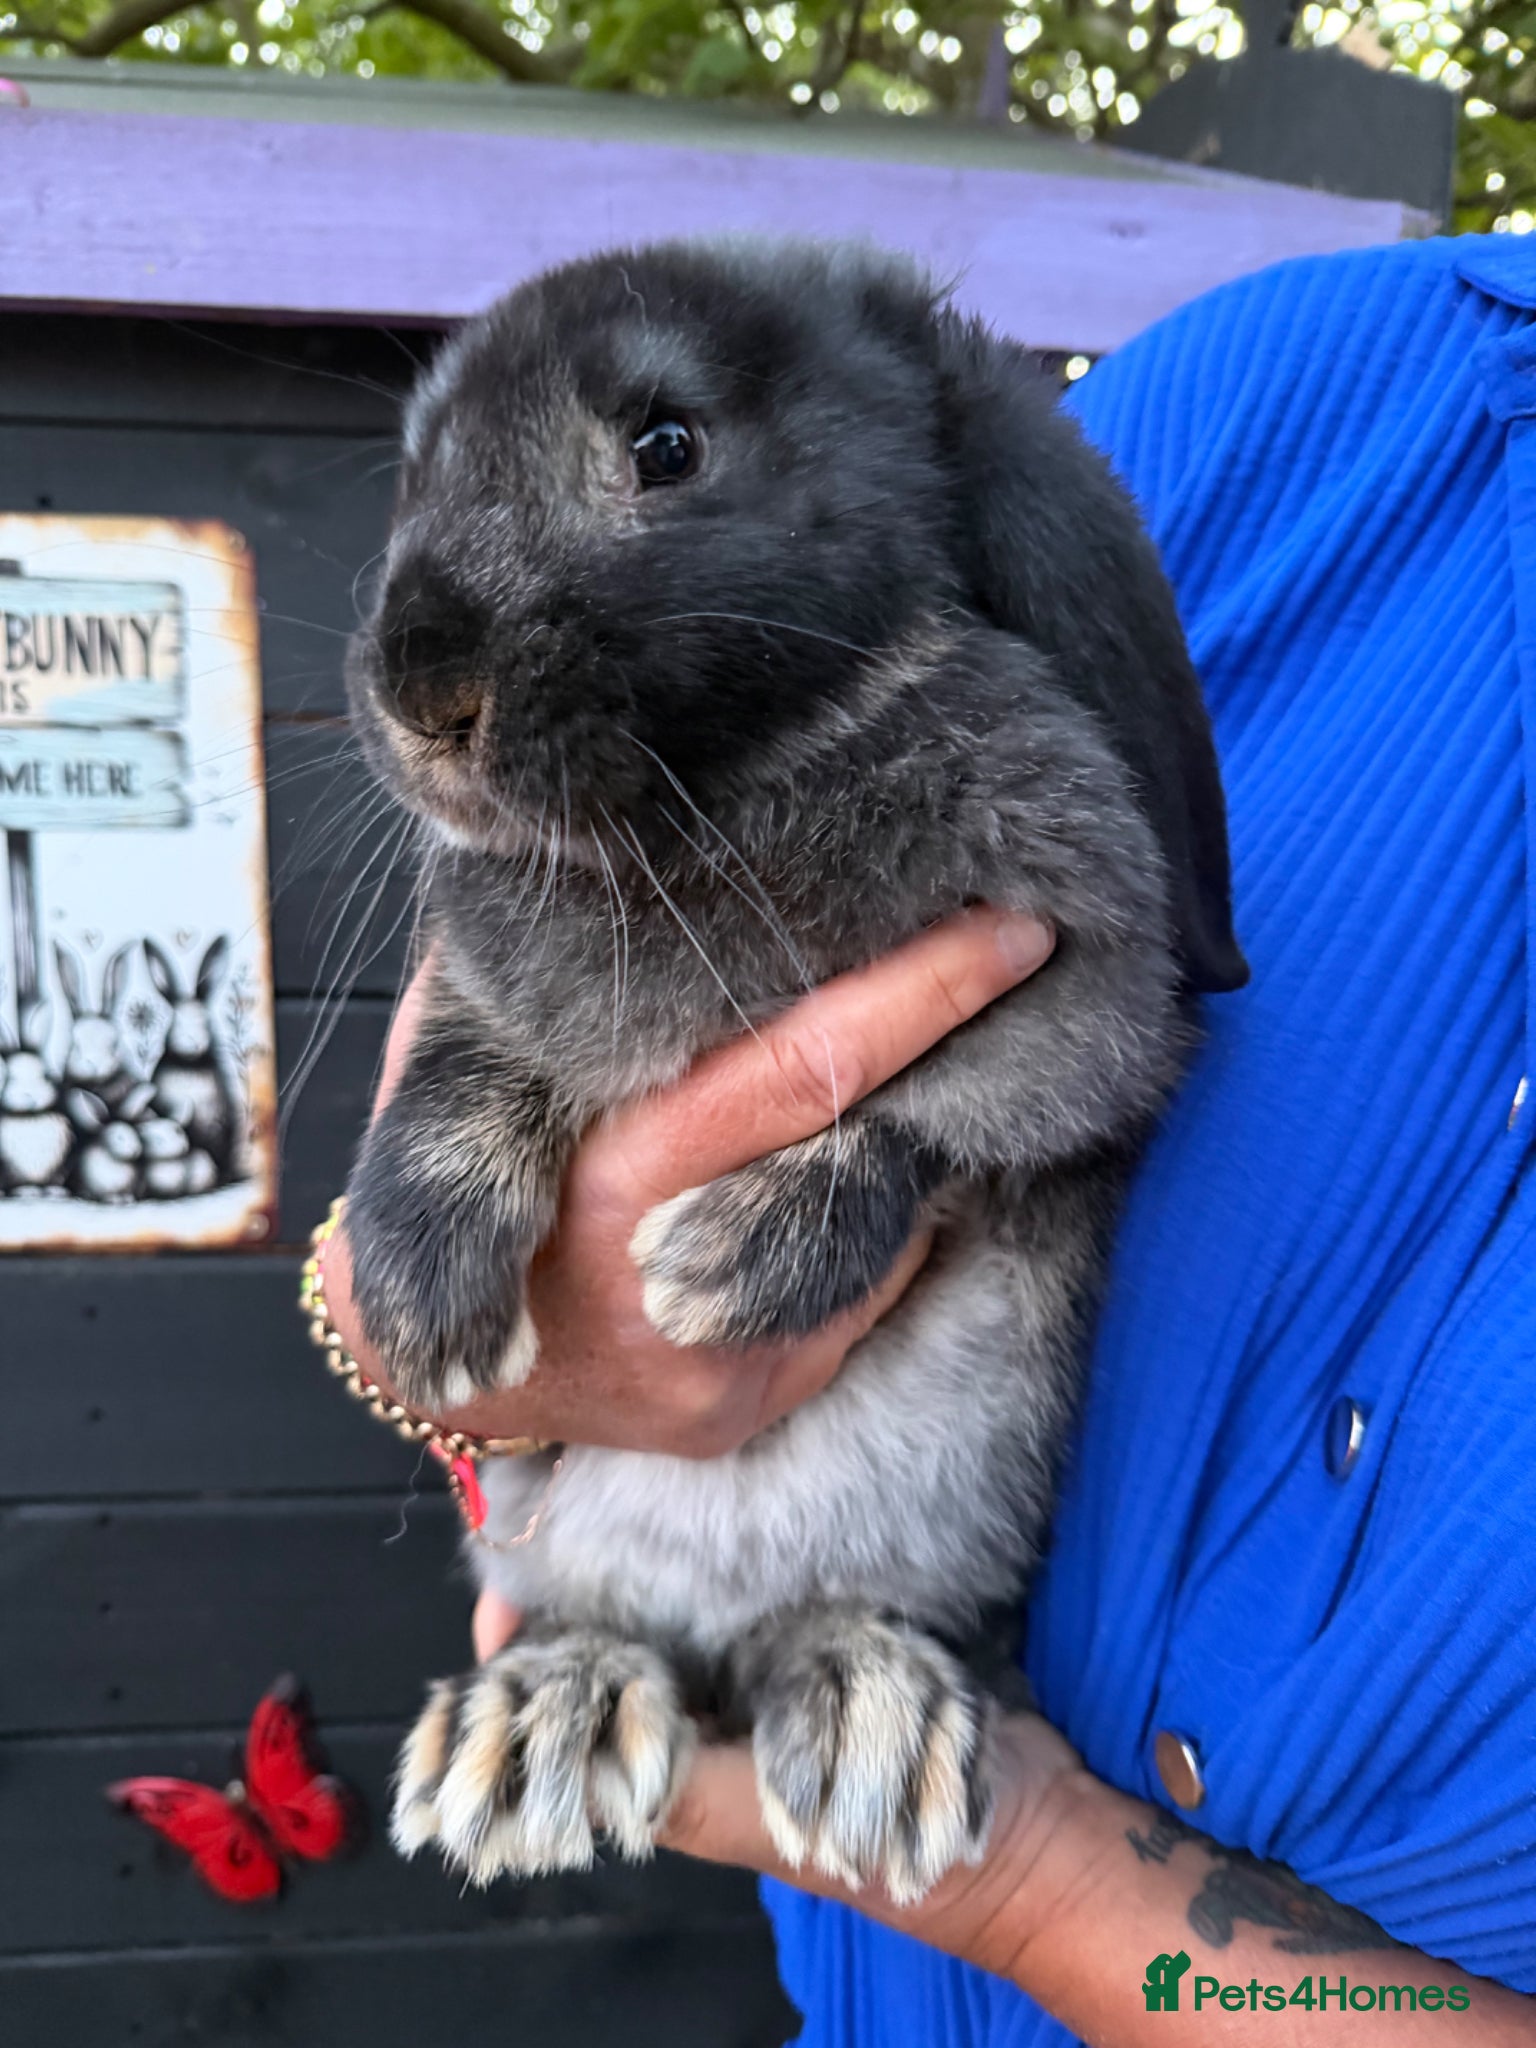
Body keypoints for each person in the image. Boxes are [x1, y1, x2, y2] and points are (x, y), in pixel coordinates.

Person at [324, 230, 1536, 2042]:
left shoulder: (965, 749)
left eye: (654, 456)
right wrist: (419, 1326)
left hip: (930, 1629)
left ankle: (856, 1636)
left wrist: (1035, 1880)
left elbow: (1102, 990)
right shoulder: (1323, 382)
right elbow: (448, 1146)